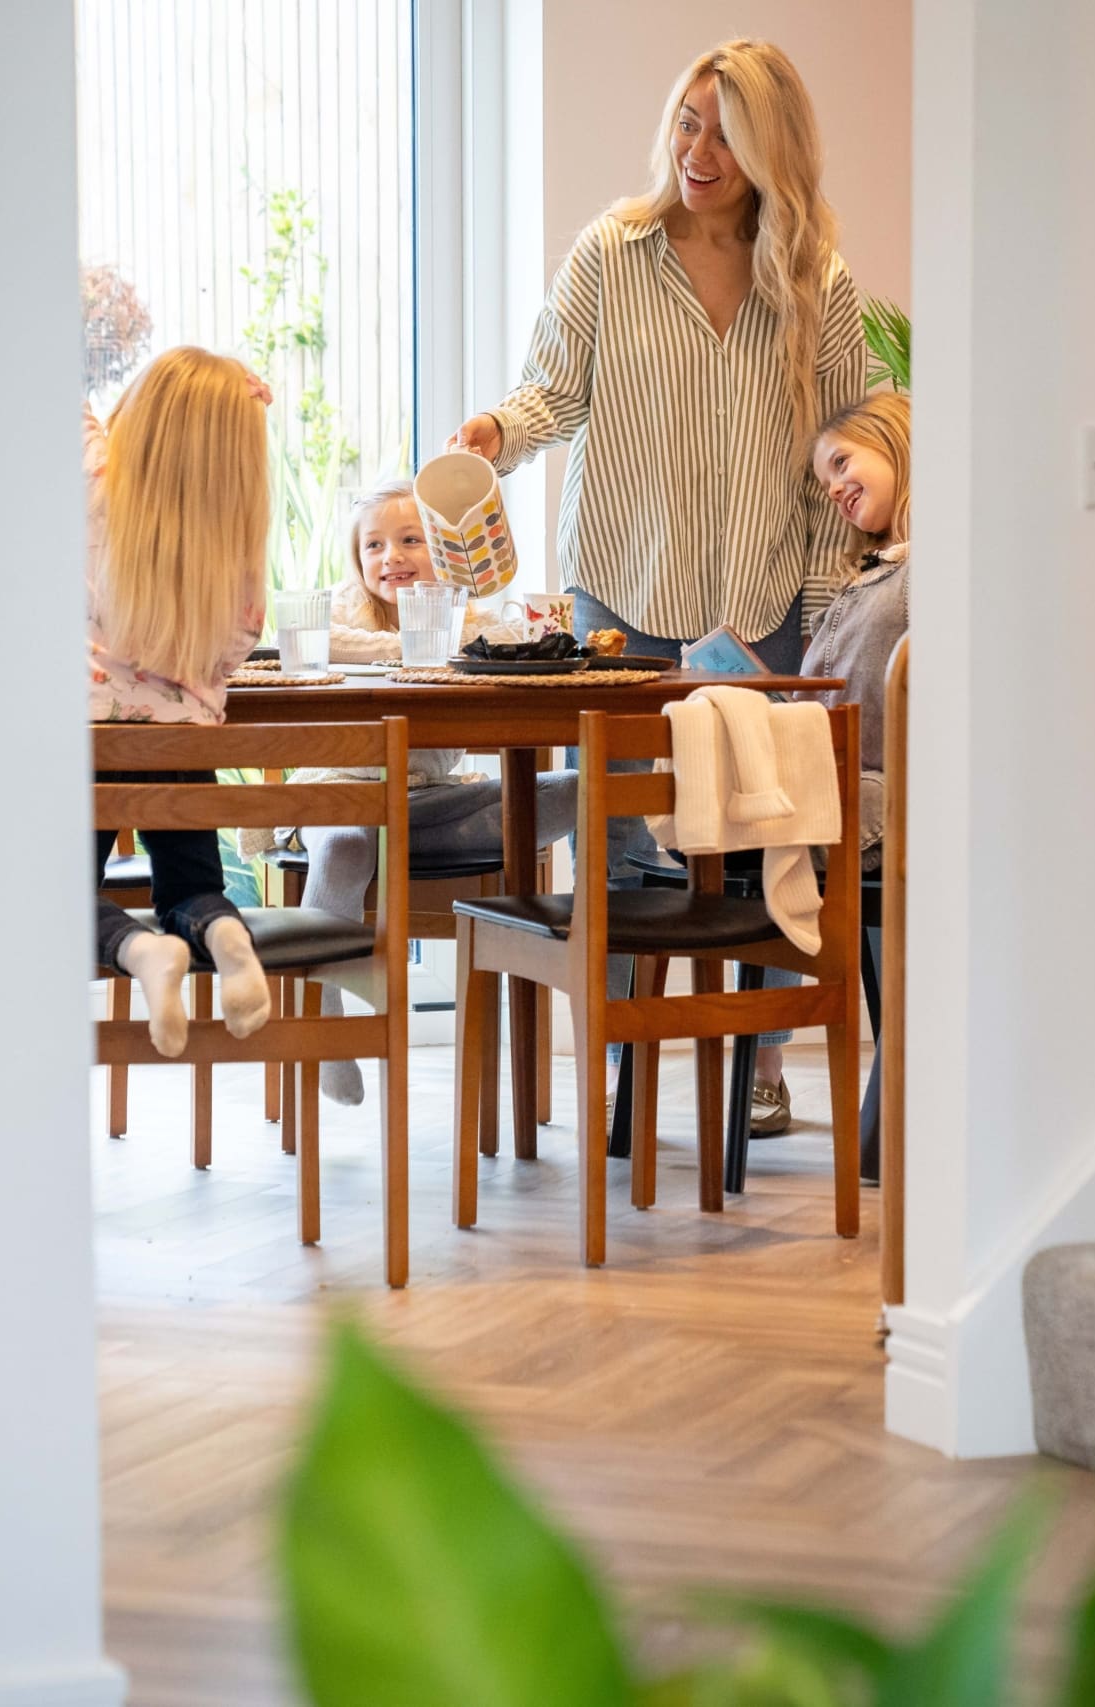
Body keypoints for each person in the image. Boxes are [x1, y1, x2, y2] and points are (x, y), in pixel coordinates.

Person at [450, 38, 867, 1048]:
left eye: (729, 133)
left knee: (774, 837)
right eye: (689, 121)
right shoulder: (613, 251)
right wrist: (495, 437)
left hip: (764, 604)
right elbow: (555, 390)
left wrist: (819, 615)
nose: (700, 150)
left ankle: (758, 1061)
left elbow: (839, 452)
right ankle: (621, 1053)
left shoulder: (819, 283)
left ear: (775, 151)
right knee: (624, 846)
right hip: (622, 599)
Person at [290, 478, 580, 1104]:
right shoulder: (338, 616)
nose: (389, 557)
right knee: (344, 845)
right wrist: (431, 641)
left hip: (431, 801)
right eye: (373, 546)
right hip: (341, 793)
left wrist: (473, 625)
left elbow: (509, 646)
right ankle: (326, 1022)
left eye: (408, 540)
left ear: (443, 551)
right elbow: (332, 645)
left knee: (577, 788)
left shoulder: (470, 618)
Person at [88, 346, 277, 1058]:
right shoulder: (233, 549)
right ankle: (224, 935)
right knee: (191, 889)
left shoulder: (95, 483)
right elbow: (238, 644)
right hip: (184, 746)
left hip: (91, 740)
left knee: (47, 901)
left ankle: (141, 952)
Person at [748, 390, 911, 1133]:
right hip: (833, 777)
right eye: (826, 482)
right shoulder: (868, 576)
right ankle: (750, 1072)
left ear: (898, 438)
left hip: (881, 793)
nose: (837, 489)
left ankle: (752, 1072)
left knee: (728, 817)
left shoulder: (935, 565)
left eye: (843, 462)